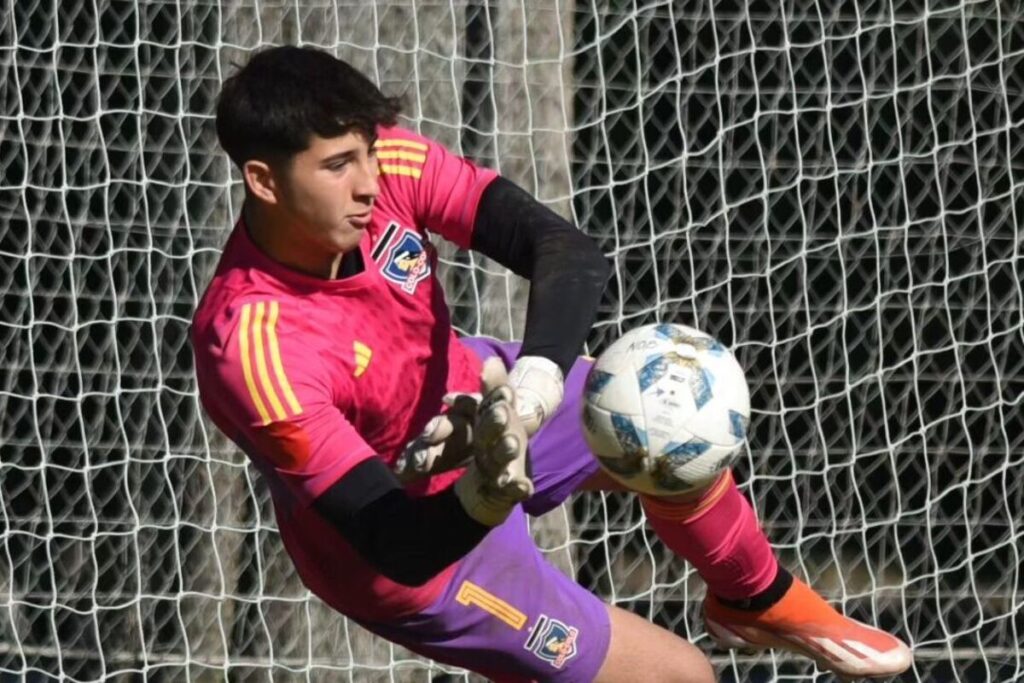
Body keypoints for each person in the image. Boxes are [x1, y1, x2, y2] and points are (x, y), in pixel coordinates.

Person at [191, 45, 912, 682]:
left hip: (487, 400)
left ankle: (754, 596)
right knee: (681, 677)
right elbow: (397, 546)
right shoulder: (253, 347)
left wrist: (536, 383)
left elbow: (567, 252)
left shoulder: (389, 167)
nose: (369, 183)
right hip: (422, 561)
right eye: (339, 165)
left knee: (663, 420)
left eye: (368, 152)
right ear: (263, 180)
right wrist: (481, 491)